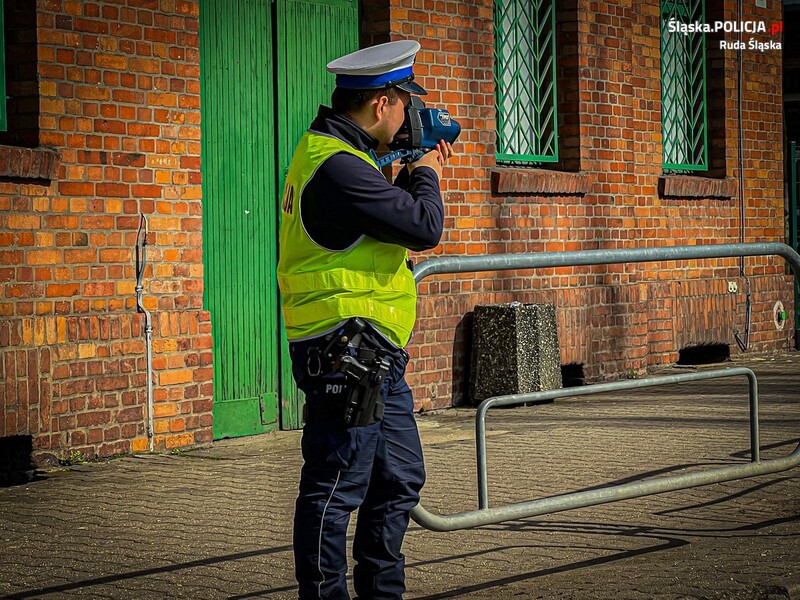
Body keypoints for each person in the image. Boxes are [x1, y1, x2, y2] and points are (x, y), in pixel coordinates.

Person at [276, 39, 453, 599]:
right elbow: (423, 227)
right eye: (405, 103)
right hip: (342, 350)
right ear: (381, 105)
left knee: (399, 481)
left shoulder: (347, 160)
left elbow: (378, 227)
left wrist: (400, 171)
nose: (410, 117)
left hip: (374, 354)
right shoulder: (337, 168)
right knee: (336, 488)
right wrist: (425, 171)